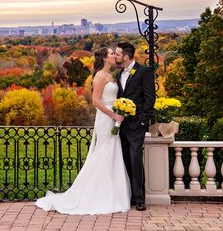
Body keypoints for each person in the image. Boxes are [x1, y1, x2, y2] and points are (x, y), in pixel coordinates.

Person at [35, 47, 131, 215]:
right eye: (111, 54)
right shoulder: (100, 76)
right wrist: (113, 114)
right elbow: (95, 101)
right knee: (104, 151)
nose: (114, 56)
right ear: (104, 58)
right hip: (105, 117)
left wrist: (120, 111)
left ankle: (112, 192)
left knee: (113, 151)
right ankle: (97, 194)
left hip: (114, 115)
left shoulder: (111, 75)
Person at [115, 42, 155, 211]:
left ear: (126, 56)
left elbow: (150, 97)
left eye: (117, 54)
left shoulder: (144, 72)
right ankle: (130, 196)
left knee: (135, 159)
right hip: (122, 126)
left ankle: (139, 199)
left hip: (137, 125)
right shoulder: (118, 74)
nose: (115, 56)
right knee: (125, 160)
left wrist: (143, 121)